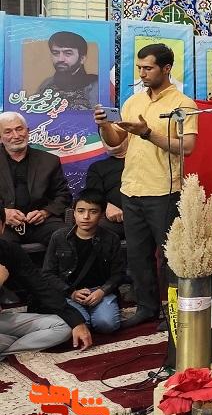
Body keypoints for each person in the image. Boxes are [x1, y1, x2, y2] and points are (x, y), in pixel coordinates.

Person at [94, 43, 198, 330]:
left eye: (148, 68)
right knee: (138, 256)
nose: (142, 73)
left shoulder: (183, 104)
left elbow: (187, 147)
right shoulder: (133, 101)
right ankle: (146, 308)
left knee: (169, 257)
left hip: (164, 190)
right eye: (139, 68)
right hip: (131, 189)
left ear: (166, 69)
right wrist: (104, 126)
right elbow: (116, 141)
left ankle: (173, 311)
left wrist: (148, 133)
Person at [42, 190, 126, 335]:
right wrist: (71, 293)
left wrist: (102, 291)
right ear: (74, 213)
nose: (86, 217)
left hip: (100, 292)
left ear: (102, 214)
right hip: (70, 292)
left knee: (107, 324)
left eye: (93, 212)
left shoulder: (111, 238)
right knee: (81, 322)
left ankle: (98, 312)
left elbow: (118, 274)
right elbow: (48, 273)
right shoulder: (59, 237)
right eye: (81, 211)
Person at [0, 242, 92, 355]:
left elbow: (40, 286)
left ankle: (7, 349)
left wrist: (76, 322)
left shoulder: (9, 250)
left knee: (64, 326)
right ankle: (8, 342)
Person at [0, 112, 71, 252]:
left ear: (28, 131)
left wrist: (45, 212)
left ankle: (52, 268)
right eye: (8, 132)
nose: (16, 135)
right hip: (4, 223)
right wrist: (3, 213)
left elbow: (63, 196)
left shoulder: (49, 161)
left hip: (42, 222)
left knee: (65, 236)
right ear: (0, 137)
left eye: (19, 129)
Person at [36, 31, 98, 110]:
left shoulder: (97, 86)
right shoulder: (46, 84)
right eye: (55, 53)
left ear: (82, 58)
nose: (60, 59)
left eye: (68, 53)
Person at [84, 141, 126, 239]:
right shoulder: (97, 167)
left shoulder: (144, 164)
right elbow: (93, 195)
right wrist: (106, 206)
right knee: (91, 228)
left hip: (144, 217)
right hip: (114, 221)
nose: (111, 140)